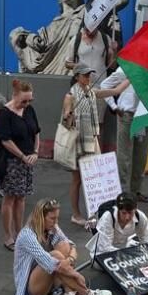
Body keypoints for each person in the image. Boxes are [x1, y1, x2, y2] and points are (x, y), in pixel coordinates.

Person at [13, 199, 112, 295]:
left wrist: (70, 259)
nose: (55, 222)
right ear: (40, 217)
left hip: (51, 276)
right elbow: (48, 262)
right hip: (31, 288)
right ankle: (85, 293)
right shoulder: (27, 235)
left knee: (64, 246)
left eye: (57, 218)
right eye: (52, 218)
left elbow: (71, 245)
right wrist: (76, 275)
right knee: (55, 255)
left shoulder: (51, 227)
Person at [0, 79, 42, 249]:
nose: (26, 104)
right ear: (14, 96)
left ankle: (20, 232)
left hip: (27, 160)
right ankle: (8, 235)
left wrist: (35, 152)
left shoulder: (29, 110)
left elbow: (36, 133)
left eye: (29, 101)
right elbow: (5, 140)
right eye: (23, 101)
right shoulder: (5, 114)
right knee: (10, 198)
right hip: (11, 161)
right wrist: (22, 156)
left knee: (21, 197)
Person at [10, 0, 89, 74]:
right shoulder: (52, 27)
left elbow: (108, 9)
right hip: (51, 76)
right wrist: (26, 38)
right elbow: (42, 49)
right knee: (15, 34)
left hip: (74, 77)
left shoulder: (85, 13)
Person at [96, 66, 148, 201]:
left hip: (143, 115)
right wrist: (113, 106)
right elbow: (104, 85)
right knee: (124, 156)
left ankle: (136, 190)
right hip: (127, 115)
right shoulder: (125, 69)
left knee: (141, 156)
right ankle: (123, 193)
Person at [59, 66, 102, 225]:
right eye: (85, 75)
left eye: (89, 74)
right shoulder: (71, 96)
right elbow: (66, 119)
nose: (88, 77)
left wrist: (128, 80)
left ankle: (94, 213)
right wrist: (67, 115)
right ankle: (76, 214)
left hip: (91, 140)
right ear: (77, 77)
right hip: (78, 142)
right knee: (77, 179)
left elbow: (113, 91)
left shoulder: (90, 92)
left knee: (93, 178)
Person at [88, 194, 148, 258]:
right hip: (102, 253)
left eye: (130, 213)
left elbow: (145, 237)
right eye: (124, 213)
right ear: (118, 209)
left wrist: (145, 253)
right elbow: (104, 247)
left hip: (123, 249)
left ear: (135, 209)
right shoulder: (108, 217)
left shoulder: (140, 216)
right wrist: (129, 254)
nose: (127, 217)